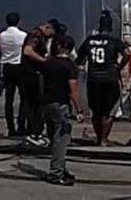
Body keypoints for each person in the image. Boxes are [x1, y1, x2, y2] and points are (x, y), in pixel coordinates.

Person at [75, 12, 128, 146]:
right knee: (109, 111)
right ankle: (104, 139)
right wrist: (119, 67)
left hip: (93, 79)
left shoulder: (89, 40)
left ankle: (99, 138)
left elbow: (79, 59)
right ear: (110, 28)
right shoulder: (114, 41)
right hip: (110, 78)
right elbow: (127, 54)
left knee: (96, 111)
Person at [39, 35, 84, 186]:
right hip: (61, 104)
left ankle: (61, 169)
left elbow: (40, 84)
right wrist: (79, 109)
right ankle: (56, 173)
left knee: (53, 138)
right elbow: (73, 89)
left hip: (47, 103)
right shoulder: (70, 66)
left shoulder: (47, 64)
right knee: (61, 139)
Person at [21, 21, 56, 146]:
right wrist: (44, 61)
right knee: (36, 105)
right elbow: (27, 51)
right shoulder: (36, 36)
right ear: (48, 28)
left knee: (33, 105)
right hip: (32, 74)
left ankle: (34, 132)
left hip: (31, 73)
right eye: (51, 33)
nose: (50, 36)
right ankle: (34, 133)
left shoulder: (36, 35)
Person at [0, 12, 27, 137]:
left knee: (8, 99)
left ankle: (11, 127)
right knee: (24, 98)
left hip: (7, 67)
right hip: (20, 67)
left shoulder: (2, 35)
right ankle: (21, 125)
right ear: (19, 21)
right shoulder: (23, 35)